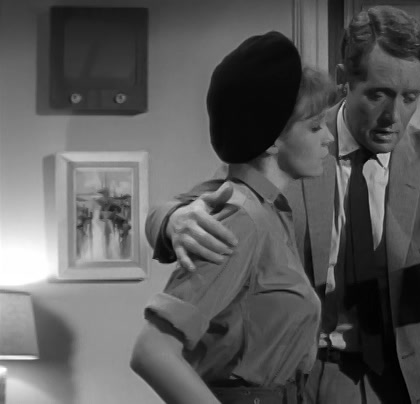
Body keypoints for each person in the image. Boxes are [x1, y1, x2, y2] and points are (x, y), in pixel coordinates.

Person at [145, 6, 420, 404]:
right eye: (378, 95)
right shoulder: (294, 143)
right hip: (310, 381)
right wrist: (175, 221)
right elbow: (187, 207)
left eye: (410, 98)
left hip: (414, 385)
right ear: (343, 80)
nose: (393, 117)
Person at [130, 31, 336, 404]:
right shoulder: (243, 217)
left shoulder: (270, 211)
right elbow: (152, 352)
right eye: (315, 126)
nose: (328, 138)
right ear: (272, 139)